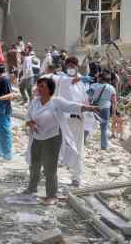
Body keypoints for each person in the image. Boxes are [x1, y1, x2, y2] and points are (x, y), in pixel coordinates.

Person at [24, 77, 98, 205]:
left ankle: (51, 194)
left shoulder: (56, 102)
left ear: (49, 89)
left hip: (52, 138)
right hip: (36, 138)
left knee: (50, 168)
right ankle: (32, 188)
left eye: (42, 86)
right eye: (38, 86)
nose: (39, 89)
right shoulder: (35, 102)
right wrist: (31, 124)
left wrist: (90, 108)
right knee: (34, 165)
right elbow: (28, 118)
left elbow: (73, 106)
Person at [53, 57, 89, 187]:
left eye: (74, 65)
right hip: (62, 120)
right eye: (69, 65)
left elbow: (85, 100)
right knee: (58, 147)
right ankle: (51, 174)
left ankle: (76, 178)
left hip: (77, 119)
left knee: (78, 149)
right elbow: (69, 81)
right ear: (65, 66)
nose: (72, 67)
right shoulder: (61, 78)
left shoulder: (81, 83)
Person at [0, 63, 15, 160]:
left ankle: (7, 154)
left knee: (5, 131)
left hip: (4, 110)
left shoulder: (5, 80)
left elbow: (10, 95)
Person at [88, 71, 117, 150]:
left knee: (88, 125)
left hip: (93, 108)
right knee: (104, 128)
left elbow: (89, 97)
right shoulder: (111, 87)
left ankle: (83, 142)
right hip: (105, 108)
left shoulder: (93, 86)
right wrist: (114, 113)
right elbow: (114, 102)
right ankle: (104, 146)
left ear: (100, 78)